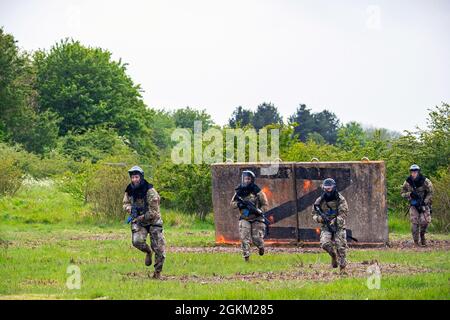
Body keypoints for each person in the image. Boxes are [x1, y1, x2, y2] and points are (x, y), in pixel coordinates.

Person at [123, 166, 166, 279]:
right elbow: (125, 203)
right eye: (132, 177)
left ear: (141, 177)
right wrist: (129, 209)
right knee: (136, 241)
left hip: (153, 221)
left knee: (159, 249)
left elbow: (154, 212)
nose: (134, 180)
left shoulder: (150, 192)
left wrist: (140, 217)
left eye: (136, 177)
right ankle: (148, 252)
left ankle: (157, 273)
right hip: (139, 220)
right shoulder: (129, 190)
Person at [312, 178, 349, 275]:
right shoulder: (319, 201)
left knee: (341, 247)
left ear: (333, 188)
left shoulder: (340, 199)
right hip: (326, 226)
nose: (327, 190)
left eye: (329, 188)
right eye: (325, 188)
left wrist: (335, 221)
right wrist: (320, 219)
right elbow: (314, 214)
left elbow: (344, 214)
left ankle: (343, 269)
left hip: (339, 226)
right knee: (324, 244)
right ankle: (333, 255)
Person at [230, 170, 269, 262]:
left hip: (257, 218)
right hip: (244, 218)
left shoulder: (257, 191)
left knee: (256, 238)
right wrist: (239, 205)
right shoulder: (239, 191)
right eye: (245, 179)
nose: (246, 180)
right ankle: (246, 258)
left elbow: (265, 204)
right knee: (244, 238)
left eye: (248, 179)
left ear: (252, 179)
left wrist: (259, 211)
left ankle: (261, 247)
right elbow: (232, 204)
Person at [401, 164, 433, 246]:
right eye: (412, 171)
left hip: (424, 204)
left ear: (418, 172)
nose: (414, 173)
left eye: (415, 171)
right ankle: (416, 242)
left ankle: (422, 235)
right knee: (414, 224)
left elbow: (431, 192)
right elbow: (402, 193)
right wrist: (410, 194)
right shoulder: (407, 182)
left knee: (424, 221)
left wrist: (425, 201)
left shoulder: (425, 181)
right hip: (414, 205)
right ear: (410, 172)